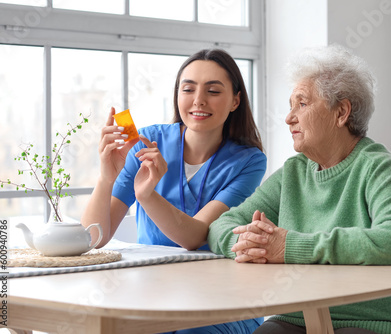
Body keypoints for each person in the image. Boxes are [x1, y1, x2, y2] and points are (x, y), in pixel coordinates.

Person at [207, 44, 391, 334]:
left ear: (341, 112)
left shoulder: (378, 166)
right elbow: (220, 226)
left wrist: (289, 246)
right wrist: (251, 246)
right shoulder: (293, 172)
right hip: (300, 316)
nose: (289, 117)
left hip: (382, 320)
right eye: (290, 105)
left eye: (302, 104)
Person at [82, 48, 266, 333]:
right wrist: (106, 178)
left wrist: (146, 196)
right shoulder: (147, 143)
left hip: (220, 298)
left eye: (213, 91)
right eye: (188, 89)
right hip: (151, 294)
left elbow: (194, 237)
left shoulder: (249, 161)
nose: (198, 101)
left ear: (235, 101)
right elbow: (93, 238)